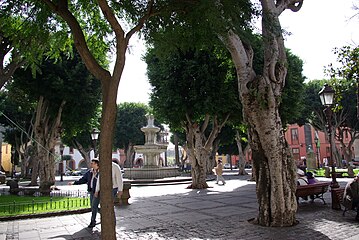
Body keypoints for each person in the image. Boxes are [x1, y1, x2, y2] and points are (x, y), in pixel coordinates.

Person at [69, 159, 100, 228]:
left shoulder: (101, 172)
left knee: (94, 206)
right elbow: (83, 179)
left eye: (92, 163)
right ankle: (103, 213)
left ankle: (93, 221)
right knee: (92, 206)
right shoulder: (90, 172)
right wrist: (74, 183)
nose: (91, 164)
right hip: (91, 191)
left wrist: (97, 191)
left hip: (97, 192)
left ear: (96, 164)